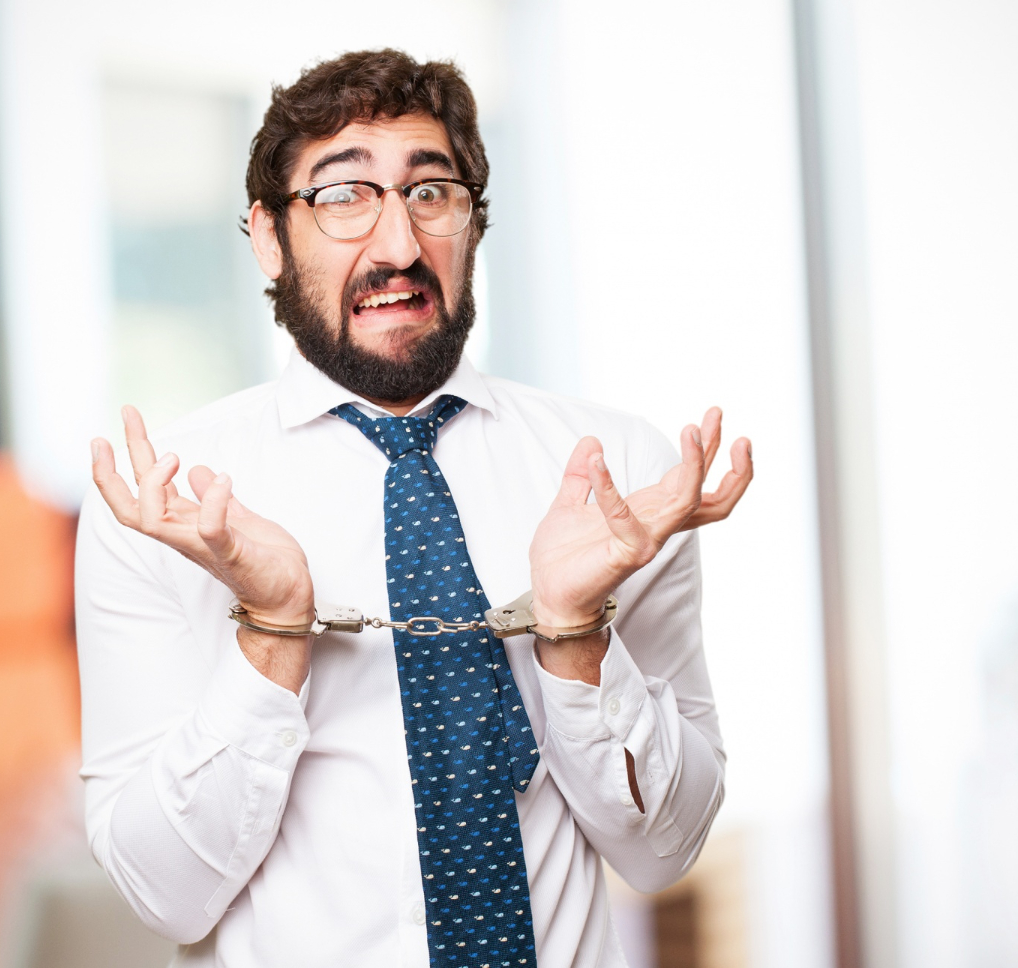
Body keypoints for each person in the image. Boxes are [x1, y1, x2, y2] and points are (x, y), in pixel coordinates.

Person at [77, 49, 753, 968]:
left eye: (430, 192)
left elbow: (663, 850)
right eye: (343, 195)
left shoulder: (617, 479)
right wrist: (273, 635)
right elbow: (165, 897)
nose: (398, 245)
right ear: (269, 237)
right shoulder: (162, 502)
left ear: (473, 223)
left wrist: (575, 633)